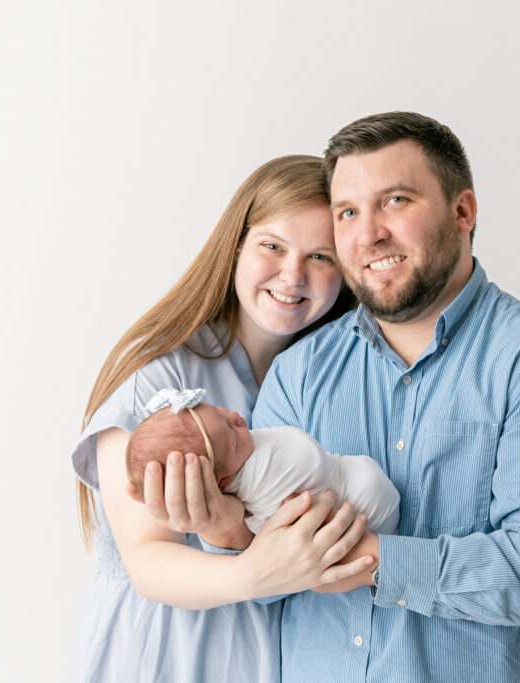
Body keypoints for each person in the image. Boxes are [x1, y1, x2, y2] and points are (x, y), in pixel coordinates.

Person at [157, 113, 520, 681]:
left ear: (463, 212)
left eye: (395, 201)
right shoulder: (299, 373)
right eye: (348, 211)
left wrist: (377, 561)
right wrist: (227, 533)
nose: (368, 232)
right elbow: (264, 584)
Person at [70, 155, 376, 682]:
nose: (292, 275)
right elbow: (147, 558)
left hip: (270, 658)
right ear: (236, 246)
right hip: (163, 655)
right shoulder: (161, 379)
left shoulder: (331, 385)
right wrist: (254, 573)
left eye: (320, 256)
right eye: (272, 246)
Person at [125, 387, 400, 534]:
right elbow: (255, 526)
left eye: (220, 411)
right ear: (222, 482)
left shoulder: (240, 456)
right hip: (361, 507)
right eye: (232, 436)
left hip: (352, 477)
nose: (236, 418)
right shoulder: (246, 490)